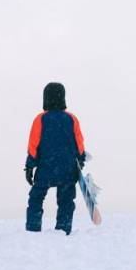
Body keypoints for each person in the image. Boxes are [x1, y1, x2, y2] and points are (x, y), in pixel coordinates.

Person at [24, 82, 86, 235]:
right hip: (67, 169)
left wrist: (30, 166)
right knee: (66, 200)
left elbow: (33, 144)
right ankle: (63, 229)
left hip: (46, 168)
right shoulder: (71, 119)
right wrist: (81, 159)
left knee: (36, 198)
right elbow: (79, 142)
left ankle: (33, 228)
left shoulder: (40, 119)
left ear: (45, 98)